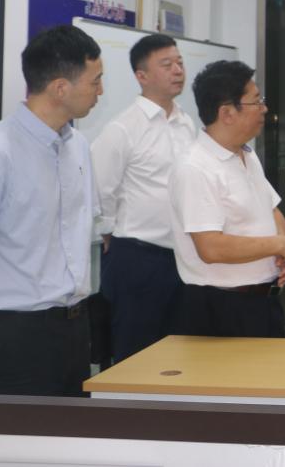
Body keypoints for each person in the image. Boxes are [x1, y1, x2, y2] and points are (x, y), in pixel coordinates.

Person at [0, 25, 104, 395]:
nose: (100, 91)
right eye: (95, 81)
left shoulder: (78, 146)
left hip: (74, 327)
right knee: (13, 433)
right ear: (60, 88)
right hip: (15, 333)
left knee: (73, 430)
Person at [169, 60, 285, 338]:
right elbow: (211, 248)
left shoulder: (246, 155)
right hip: (221, 307)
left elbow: (271, 210)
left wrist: (282, 251)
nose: (264, 108)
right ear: (227, 112)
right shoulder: (195, 167)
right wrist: (280, 244)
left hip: (263, 300)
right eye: (256, 101)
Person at [91, 34, 197, 363]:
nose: (177, 70)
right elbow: (100, 189)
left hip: (182, 258)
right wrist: (108, 233)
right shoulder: (122, 128)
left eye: (179, 62)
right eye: (167, 65)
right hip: (137, 258)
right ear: (142, 76)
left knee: (179, 356)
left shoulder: (186, 123)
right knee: (135, 357)